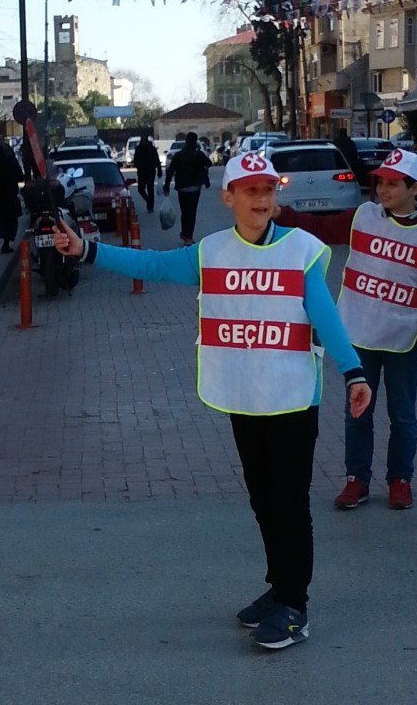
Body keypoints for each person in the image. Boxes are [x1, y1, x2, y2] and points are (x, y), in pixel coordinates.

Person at [53, 151, 371, 650]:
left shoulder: (300, 252)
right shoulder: (211, 252)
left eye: (268, 191)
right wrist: (88, 252)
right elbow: (154, 266)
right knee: (262, 498)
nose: (261, 199)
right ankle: (277, 587)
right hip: (245, 396)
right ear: (229, 198)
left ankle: (295, 606)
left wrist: (354, 373)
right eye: (250, 191)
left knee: (289, 504)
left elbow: (326, 316)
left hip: (291, 399)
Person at [276, 148, 417, 512]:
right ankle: (356, 479)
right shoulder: (363, 217)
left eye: (392, 183)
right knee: (358, 410)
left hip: (403, 337)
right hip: (357, 333)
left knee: (402, 412)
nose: (383, 190)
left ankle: (400, 480)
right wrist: (285, 216)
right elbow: (321, 229)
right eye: (380, 182)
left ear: (415, 187)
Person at [162, 131, 212, 245]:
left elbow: (170, 171)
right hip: (195, 188)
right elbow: (209, 163)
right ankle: (189, 236)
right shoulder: (198, 154)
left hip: (182, 188)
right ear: (195, 142)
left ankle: (185, 234)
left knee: (184, 212)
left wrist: (166, 186)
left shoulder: (179, 155)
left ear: (186, 142)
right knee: (192, 213)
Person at [133, 136, 162, 213]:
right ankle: (149, 201)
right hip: (142, 172)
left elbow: (157, 159)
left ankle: (150, 206)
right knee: (141, 189)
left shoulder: (151, 149)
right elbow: (135, 160)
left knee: (150, 189)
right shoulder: (139, 149)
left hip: (150, 171)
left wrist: (159, 170)